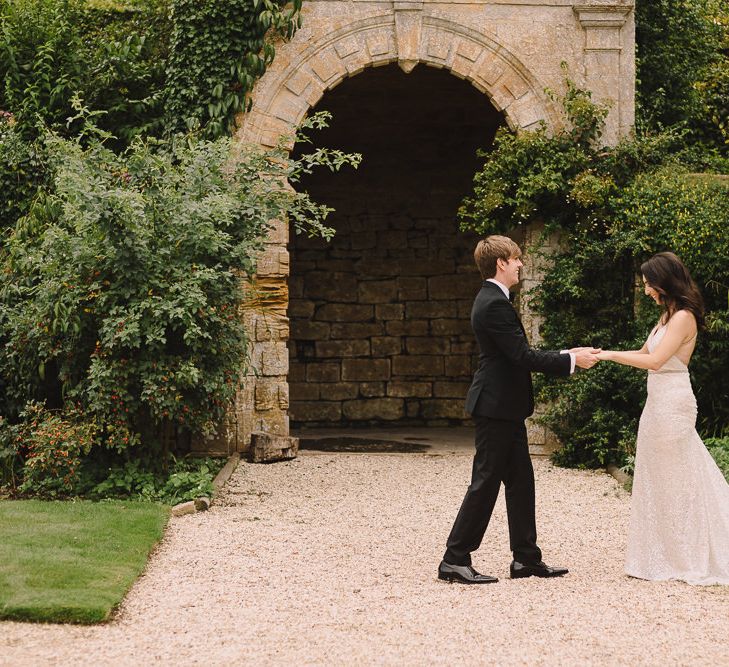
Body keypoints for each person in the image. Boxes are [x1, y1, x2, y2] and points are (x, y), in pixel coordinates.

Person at [438, 235, 600, 584]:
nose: (520, 264)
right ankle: (454, 558)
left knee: (521, 482)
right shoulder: (494, 303)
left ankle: (525, 559)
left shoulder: (495, 299)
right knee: (485, 483)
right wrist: (572, 360)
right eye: (516, 259)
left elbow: (515, 352)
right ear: (501, 263)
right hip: (495, 408)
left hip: (505, 408)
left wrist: (564, 353)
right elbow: (521, 357)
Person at [596, 251, 729, 585]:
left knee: (681, 478)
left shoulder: (684, 316)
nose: (645, 291)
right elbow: (644, 354)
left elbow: (656, 362)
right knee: (659, 477)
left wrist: (610, 355)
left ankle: (688, 554)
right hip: (655, 404)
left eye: (647, 284)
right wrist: (602, 355)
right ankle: (664, 553)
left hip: (673, 403)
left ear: (663, 281)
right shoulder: (667, 315)